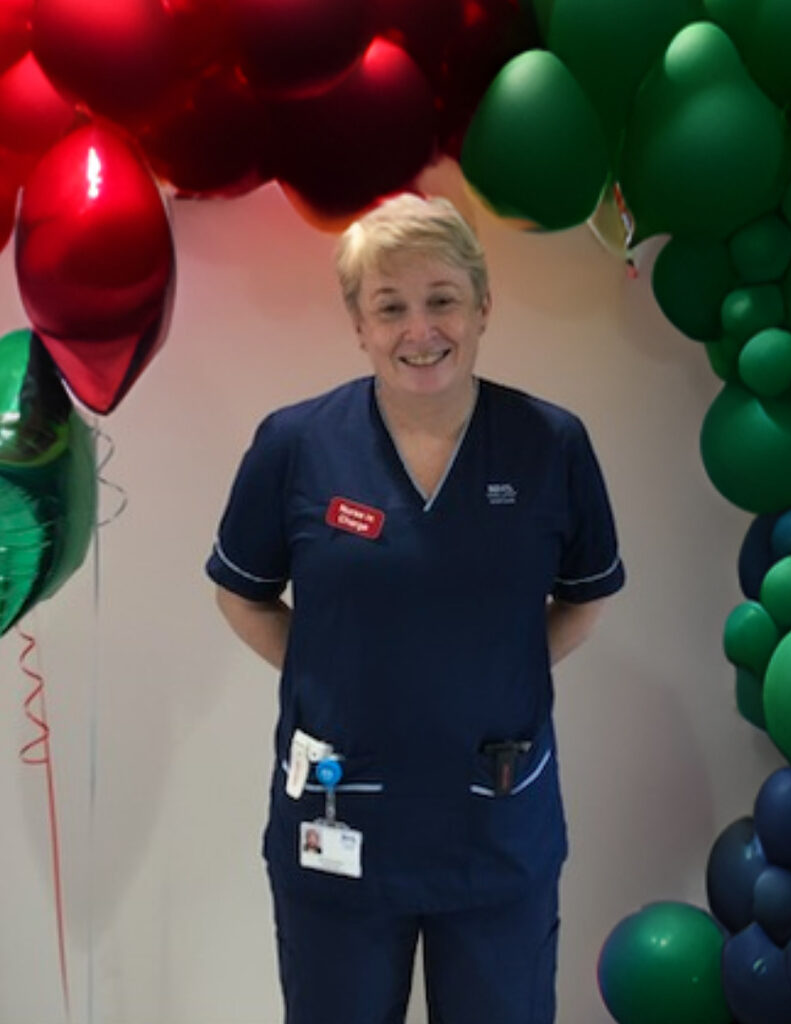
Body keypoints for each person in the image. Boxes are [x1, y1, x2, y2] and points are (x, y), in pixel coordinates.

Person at [206, 194, 624, 1024]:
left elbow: (581, 602)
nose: (419, 329)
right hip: (340, 823)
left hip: (495, 826)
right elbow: (241, 593)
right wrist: (338, 674)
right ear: (358, 323)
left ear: (482, 308)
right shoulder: (296, 446)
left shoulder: (551, 445)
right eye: (389, 306)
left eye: (442, 300)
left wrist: (490, 670)